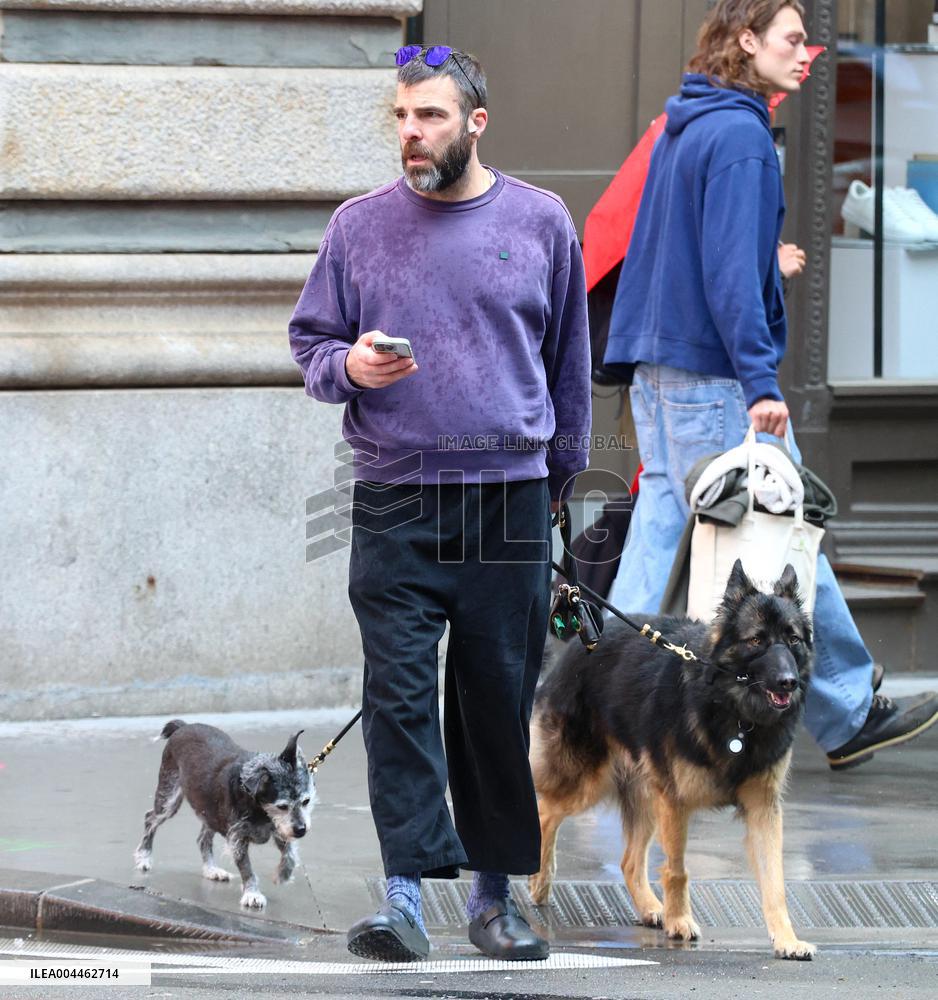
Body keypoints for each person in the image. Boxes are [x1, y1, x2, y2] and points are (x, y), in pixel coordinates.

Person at [288, 45, 591, 961]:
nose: (413, 133)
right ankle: (404, 899)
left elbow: (569, 368)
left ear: (475, 123)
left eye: (431, 117)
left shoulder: (541, 223)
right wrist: (351, 365)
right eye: (402, 116)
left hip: (508, 501)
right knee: (400, 699)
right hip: (390, 499)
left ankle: (497, 900)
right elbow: (311, 344)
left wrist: (559, 491)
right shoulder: (357, 227)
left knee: (496, 702)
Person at [603, 0, 938, 771]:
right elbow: (722, 274)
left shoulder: (692, 121)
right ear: (746, 42)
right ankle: (848, 709)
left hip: (660, 370)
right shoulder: (745, 137)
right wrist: (760, 378)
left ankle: (605, 701)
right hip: (713, 374)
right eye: (793, 38)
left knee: (659, 531)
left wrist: (763, 266)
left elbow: (683, 253)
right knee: (779, 530)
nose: (809, 52)